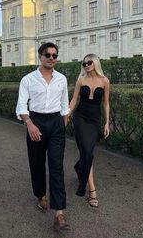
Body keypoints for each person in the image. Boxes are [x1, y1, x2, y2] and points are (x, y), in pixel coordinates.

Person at [16, 42, 70, 231]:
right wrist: (29, 123)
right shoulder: (28, 79)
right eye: (48, 55)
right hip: (35, 122)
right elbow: (22, 106)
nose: (51, 58)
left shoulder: (62, 79)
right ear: (40, 56)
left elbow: (65, 105)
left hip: (56, 124)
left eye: (55, 55)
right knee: (37, 163)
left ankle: (60, 213)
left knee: (56, 167)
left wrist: (62, 124)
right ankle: (41, 196)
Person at [69, 53, 110, 207]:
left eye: (89, 63)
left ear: (95, 63)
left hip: (94, 120)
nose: (86, 65)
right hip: (80, 118)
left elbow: (106, 103)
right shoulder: (81, 80)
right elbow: (74, 100)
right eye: (84, 63)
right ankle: (92, 189)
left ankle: (80, 167)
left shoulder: (105, 81)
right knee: (86, 152)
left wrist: (107, 123)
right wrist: (67, 115)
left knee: (88, 152)